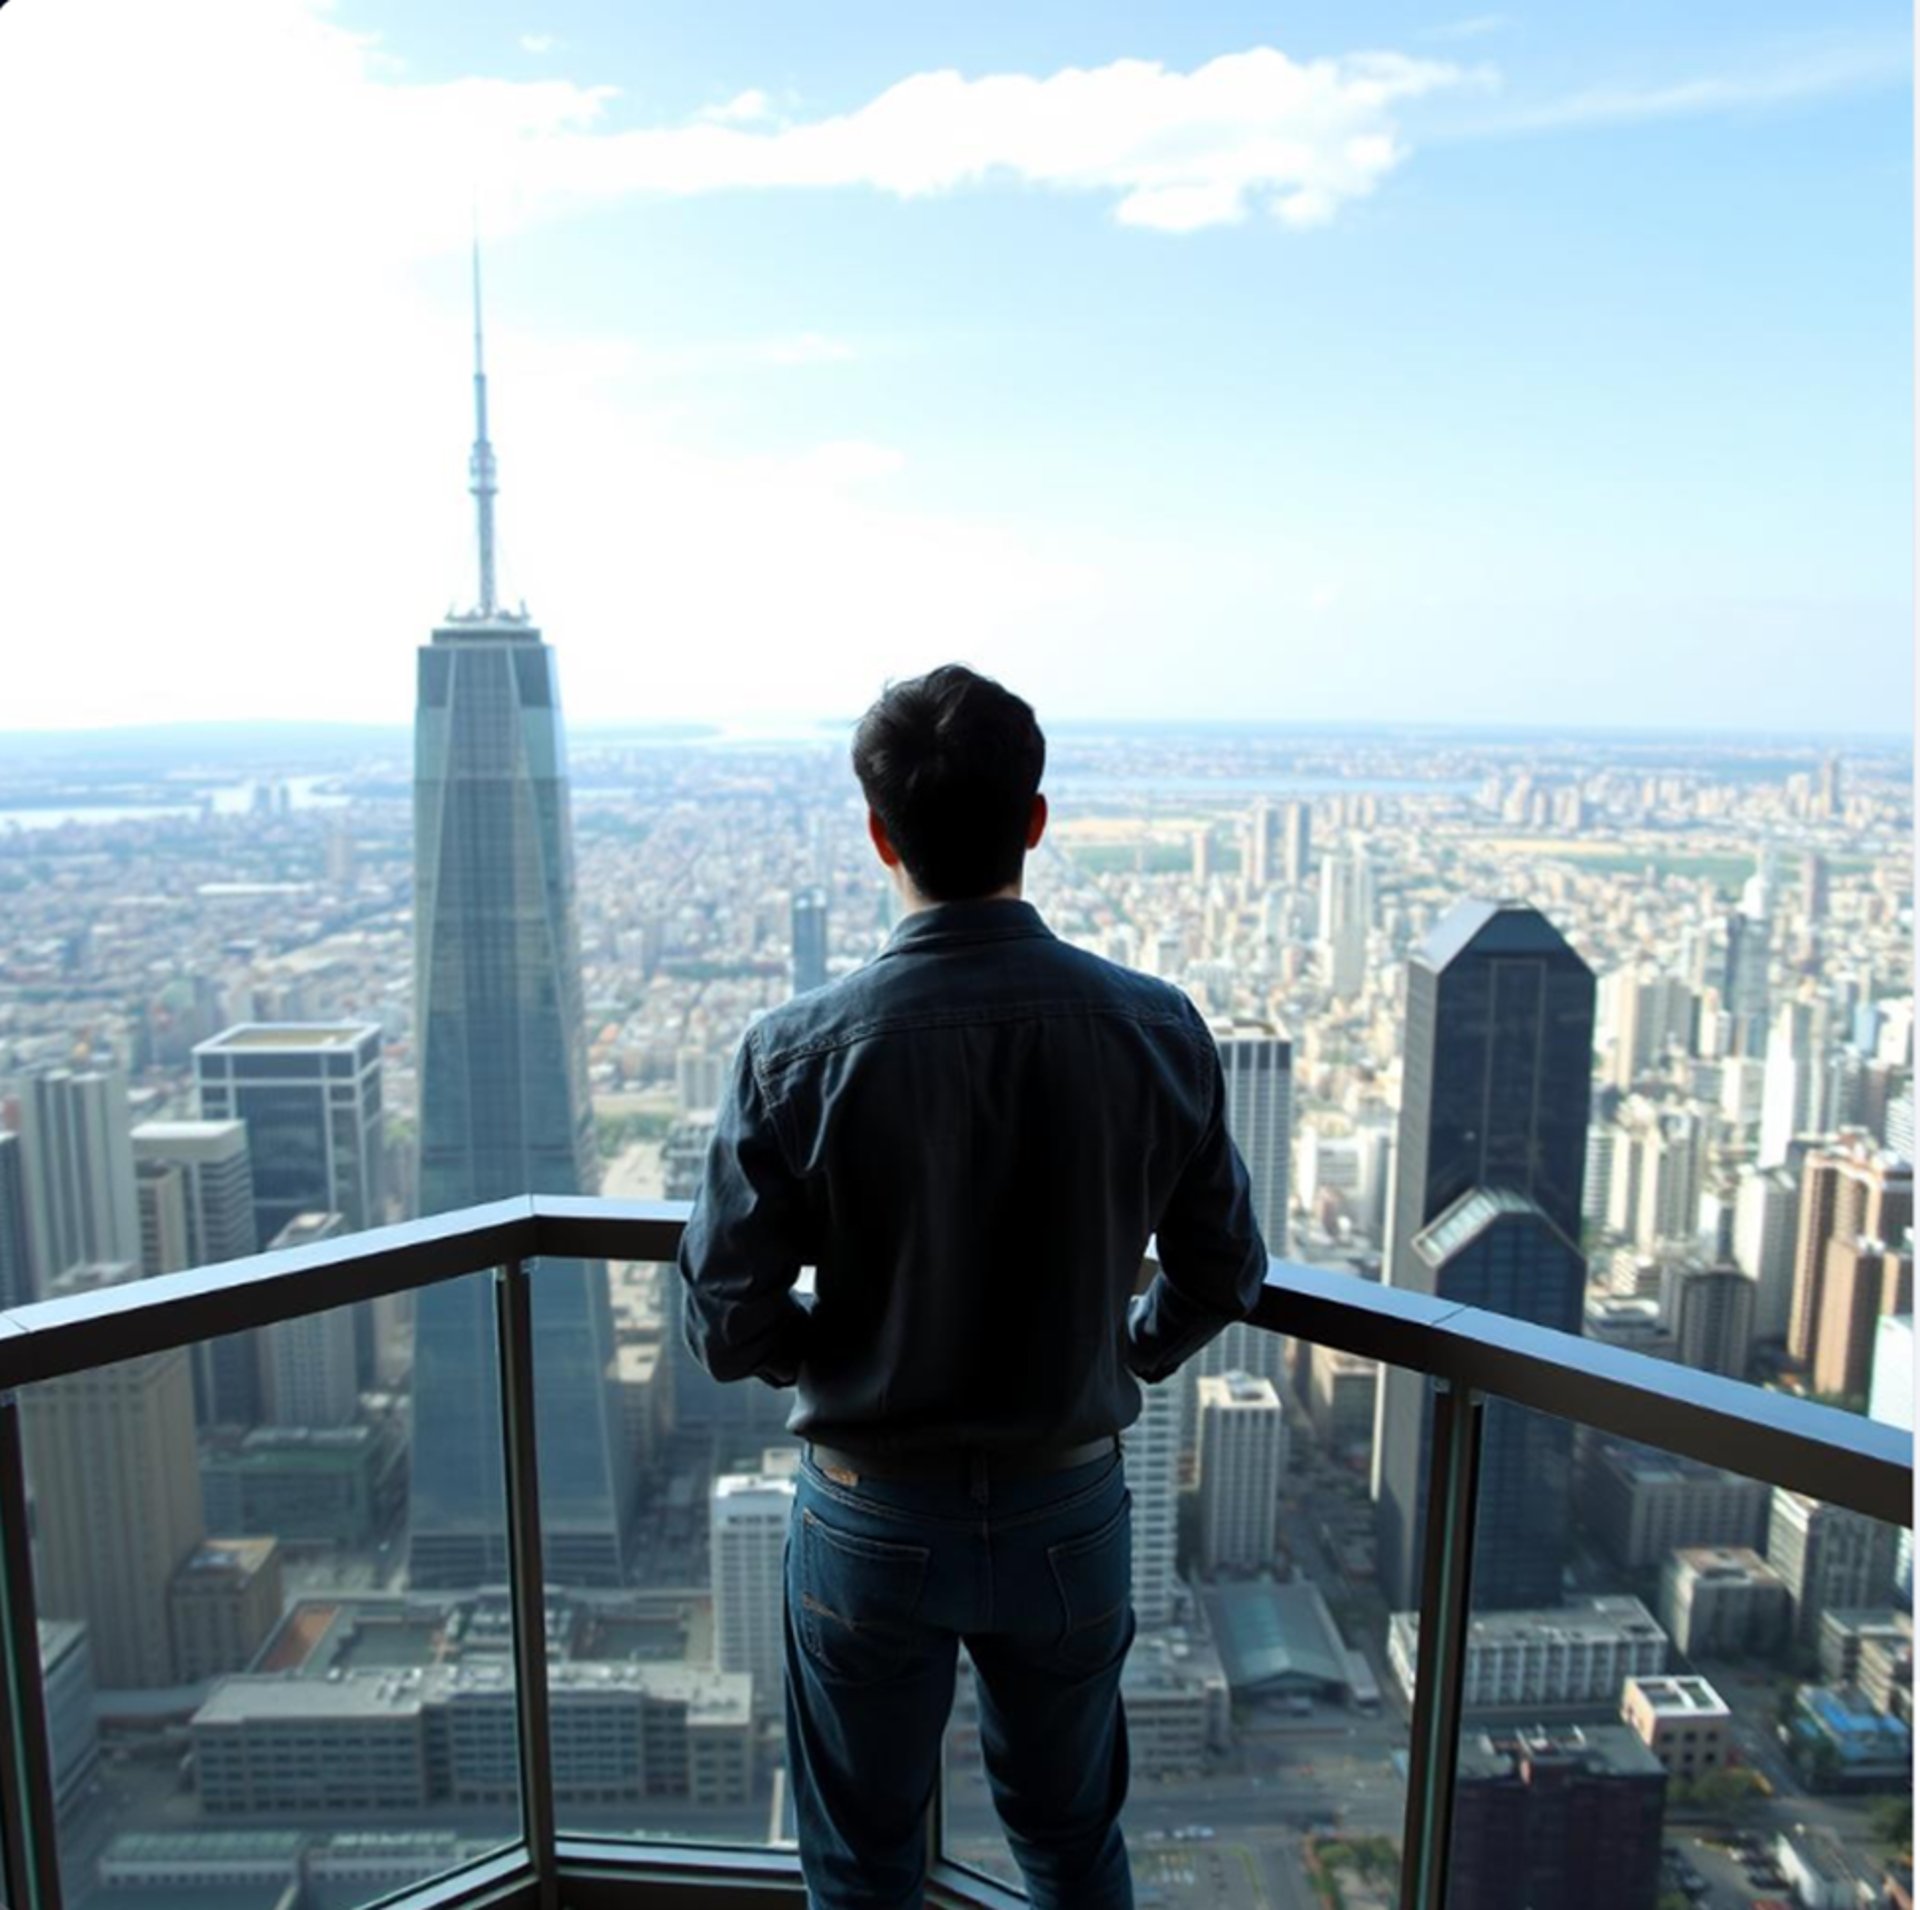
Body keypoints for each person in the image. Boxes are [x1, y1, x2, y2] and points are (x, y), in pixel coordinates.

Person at [677, 663, 1269, 1909]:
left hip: (869, 1507)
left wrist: (833, 1352)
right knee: (1067, 1843)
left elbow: (726, 1314)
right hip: (1067, 1503)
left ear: (880, 833)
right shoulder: (1156, 1027)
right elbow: (1224, 1268)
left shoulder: (794, 1054)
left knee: (861, 1862)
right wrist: (1126, 1350)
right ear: (1036, 821)